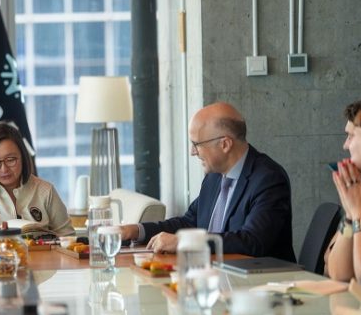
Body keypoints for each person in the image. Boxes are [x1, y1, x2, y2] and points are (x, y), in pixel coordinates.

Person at [120, 102, 295, 261]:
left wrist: (184, 242)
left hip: (258, 280)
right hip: (212, 274)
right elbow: (189, 222)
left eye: (196, 144)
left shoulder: (269, 179)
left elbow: (253, 241)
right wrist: (136, 230)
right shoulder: (214, 176)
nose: (192, 152)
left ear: (225, 144)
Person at [327, 98, 361, 281]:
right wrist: (349, 216)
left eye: (351, 136)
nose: (345, 145)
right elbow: (337, 273)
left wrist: (360, 216)